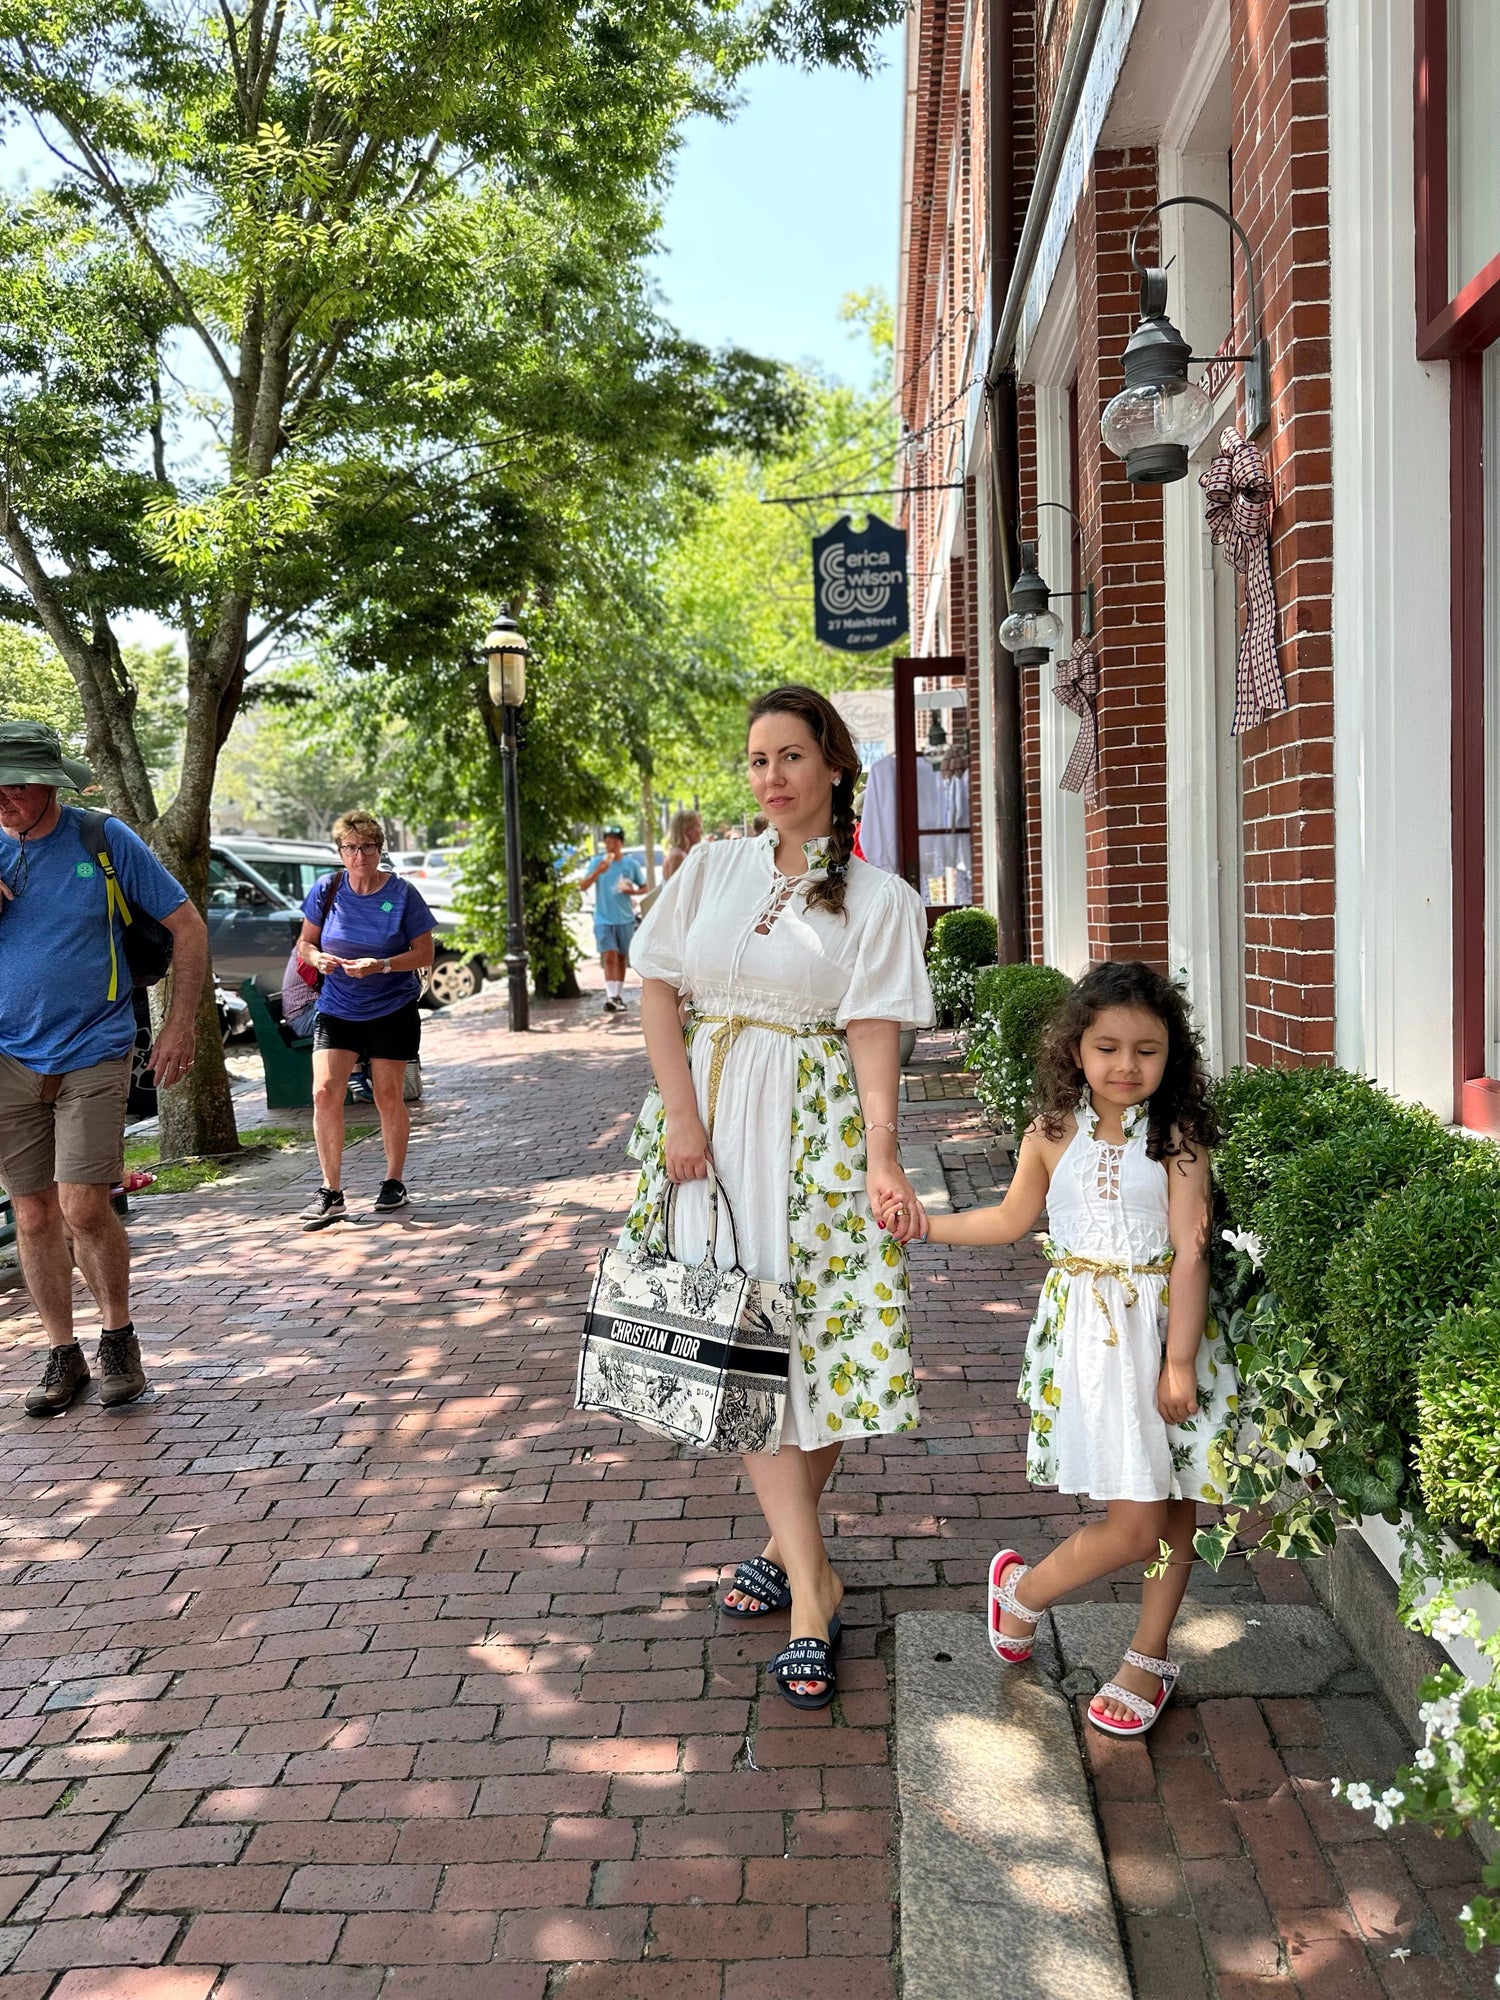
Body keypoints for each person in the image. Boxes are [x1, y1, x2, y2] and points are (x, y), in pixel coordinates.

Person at [623, 686, 933, 1710]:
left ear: (835, 765)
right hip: (709, 1124)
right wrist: (680, 1116)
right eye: (757, 759)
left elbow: (875, 1028)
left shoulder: (880, 899)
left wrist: (883, 1154)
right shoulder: (712, 867)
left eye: (791, 755)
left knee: (821, 1345)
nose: (772, 777)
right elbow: (658, 985)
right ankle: (812, 1582)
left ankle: (787, 1551)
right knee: (740, 1344)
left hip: (815, 1135)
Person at [886, 961, 1235, 1739]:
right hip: (1090, 1339)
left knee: (1175, 1511)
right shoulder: (1050, 1132)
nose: (1125, 1065)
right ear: (1076, 1049)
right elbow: (1011, 1219)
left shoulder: (1177, 1140)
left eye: (1147, 1049)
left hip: (1164, 1338)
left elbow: (1190, 1254)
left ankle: (1145, 1653)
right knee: (1136, 1521)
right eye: (1107, 1046)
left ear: (1171, 1054)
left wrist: (1179, 1361)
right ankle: (1024, 1592)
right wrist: (928, 1225)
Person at [0, 721, 209, 1415]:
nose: (6, 799)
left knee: (83, 1205)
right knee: (32, 1216)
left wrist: (179, 1024)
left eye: (19, 784)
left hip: (95, 1044)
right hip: (7, 1057)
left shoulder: (102, 838)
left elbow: (188, 927)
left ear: (50, 781)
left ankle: (117, 1339)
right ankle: (63, 1355)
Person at [295, 813, 436, 1229]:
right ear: (340, 852)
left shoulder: (403, 893)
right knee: (323, 1092)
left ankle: (393, 1181)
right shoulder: (327, 889)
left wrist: (382, 965)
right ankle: (331, 1191)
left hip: (392, 1007)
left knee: (387, 1096)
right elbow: (304, 943)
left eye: (368, 847)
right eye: (351, 848)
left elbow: (424, 953)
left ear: (380, 849)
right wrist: (317, 957)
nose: (359, 856)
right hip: (338, 1006)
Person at [578, 825, 645, 1013]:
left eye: (614, 841)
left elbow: (645, 887)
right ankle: (611, 996)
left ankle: (617, 996)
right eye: (607, 841)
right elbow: (582, 886)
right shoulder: (598, 863)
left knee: (621, 957)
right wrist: (598, 871)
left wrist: (632, 891)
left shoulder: (630, 865)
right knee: (609, 956)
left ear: (621, 843)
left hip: (624, 918)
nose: (611, 845)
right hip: (603, 918)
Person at [661, 810, 702, 883]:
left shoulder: (681, 854)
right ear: (686, 829)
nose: (701, 831)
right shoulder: (677, 856)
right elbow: (674, 890)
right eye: (697, 826)